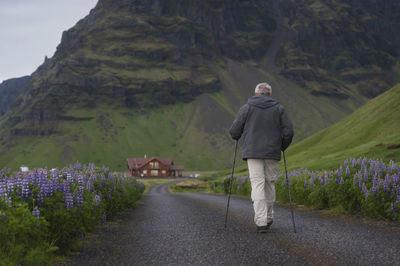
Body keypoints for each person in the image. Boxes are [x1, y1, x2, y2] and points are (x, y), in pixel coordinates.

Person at [229, 82, 294, 233]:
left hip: (252, 153)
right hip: (272, 152)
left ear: (256, 93)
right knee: (269, 184)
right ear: (270, 94)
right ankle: (269, 218)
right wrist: (281, 146)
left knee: (257, 184)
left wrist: (239, 135)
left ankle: (261, 222)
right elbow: (289, 132)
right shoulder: (279, 108)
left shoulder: (246, 108)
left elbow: (234, 132)